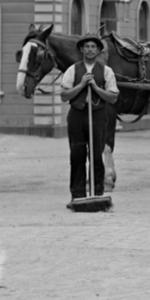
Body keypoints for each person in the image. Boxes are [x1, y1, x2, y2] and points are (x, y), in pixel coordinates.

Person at [59, 33, 119, 208]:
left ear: (99, 50)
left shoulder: (106, 71)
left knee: (96, 156)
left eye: (93, 47)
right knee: (77, 155)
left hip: (98, 115)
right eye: (87, 47)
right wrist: (81, 85)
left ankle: (97, 193)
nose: (90, 50)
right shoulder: (73, 70)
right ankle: (77, 195)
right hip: (77, 115)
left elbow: (113, 97)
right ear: (81, 50)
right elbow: (64, 95)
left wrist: (95, 87)